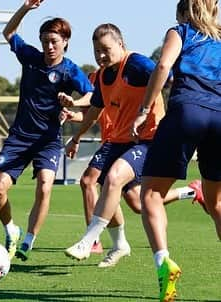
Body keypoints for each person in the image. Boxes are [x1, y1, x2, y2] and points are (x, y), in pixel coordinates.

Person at [131, 0, 221, 300]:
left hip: (188, 111)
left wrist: (145, 109)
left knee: (151, 195)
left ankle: (163, 263)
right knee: (216, 203)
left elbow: (163, 66)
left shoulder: (181, 30)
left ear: (184, 13)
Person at [0, 0, 94, 262]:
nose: (49, 46)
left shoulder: (70, 71)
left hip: (48, 140)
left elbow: (92, 96)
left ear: (65, 42)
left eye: (54, 41)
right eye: (45, 41)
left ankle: (28, 241)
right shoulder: (32, 58)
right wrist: (25, 8)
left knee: (45, 186)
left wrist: (74, 103)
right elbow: (9, 34)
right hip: (19, 138)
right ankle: (11, 230)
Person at [62, 23, 167, 265]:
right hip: (118, 140)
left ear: (120, 45)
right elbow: (95, 111)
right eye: (96, 50)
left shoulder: (137, 64)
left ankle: (89, 240)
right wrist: (76, 137)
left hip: (148, 139)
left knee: (117, 181)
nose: (100, 56)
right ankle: (119, 244)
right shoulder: (101, 76)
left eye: (105, 49)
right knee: (93, 181)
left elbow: (166, 76)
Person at [61, 101, 204, 268]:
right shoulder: (99, 79)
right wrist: (76, 117)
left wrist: (76, 102)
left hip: (136, 141)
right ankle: (191, 191)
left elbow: (155, 84)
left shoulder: (138, 75)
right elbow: (94, 109)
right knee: (135, 202)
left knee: (100, 180)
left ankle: (91, 240)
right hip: (113, 140)